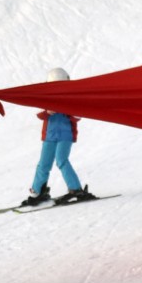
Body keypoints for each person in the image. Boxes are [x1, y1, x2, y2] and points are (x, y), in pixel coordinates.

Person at [18, 67, 95, 207]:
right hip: (49, 136)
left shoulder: (71, 97)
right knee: (44, 163)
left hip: (65, 135)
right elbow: (39, 112)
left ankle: (76, 189)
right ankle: (37, 192)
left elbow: (79, 115)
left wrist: (67, 108)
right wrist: (47, 111)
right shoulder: (46, 97)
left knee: (61, 160)